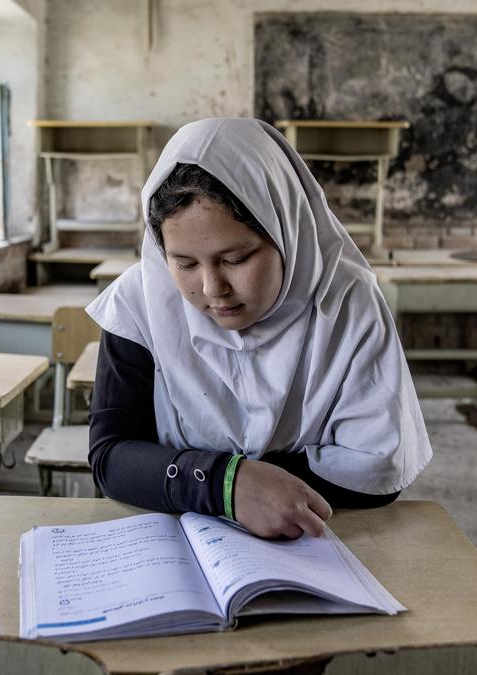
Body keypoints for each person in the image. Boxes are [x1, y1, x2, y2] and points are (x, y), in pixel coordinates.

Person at [86, 118, 431, 540]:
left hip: (325, 537)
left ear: (288, 230)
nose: (213, 289)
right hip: (174, 541)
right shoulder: (139, 304)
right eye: (185, 263)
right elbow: (110, 457)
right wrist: (227, 484)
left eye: (237, 258)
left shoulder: (347, 302)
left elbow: (376, 469)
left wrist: (209, 479)